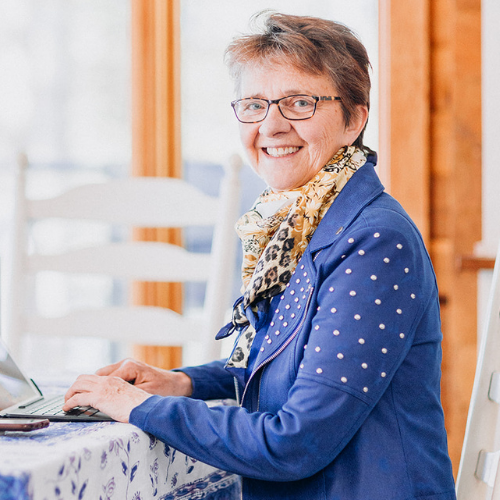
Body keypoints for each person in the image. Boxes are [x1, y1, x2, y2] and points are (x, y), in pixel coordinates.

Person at [64, 11, 457, 500]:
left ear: (354, 119)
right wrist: (180, 384)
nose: (270, 125)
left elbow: (293, 442)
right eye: (254, 104)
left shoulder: (374, 242)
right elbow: (287, 370)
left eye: (299, 102)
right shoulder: (304, 222)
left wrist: (137, 406)